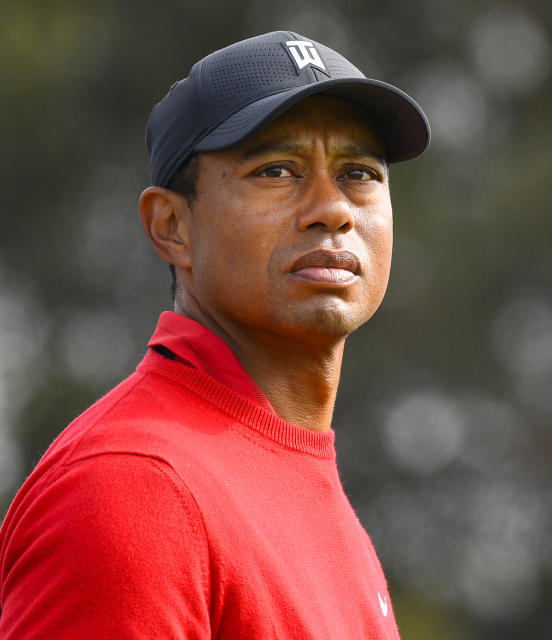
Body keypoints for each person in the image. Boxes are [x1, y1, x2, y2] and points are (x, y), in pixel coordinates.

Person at [0, 31, 429, 639]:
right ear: (171, 226)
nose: (331, 208)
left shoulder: (302, 480)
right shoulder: (136, 489)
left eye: (358, 172)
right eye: (277, 170)